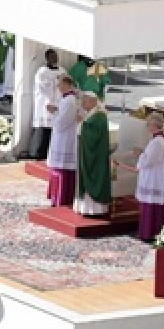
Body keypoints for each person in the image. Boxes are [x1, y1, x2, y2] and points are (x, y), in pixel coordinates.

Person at [134, 112, 164, 241]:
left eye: (149, 124)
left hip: (153, 178)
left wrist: (140, 154)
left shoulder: (157, 142)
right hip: (156, 177)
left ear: (155, 125)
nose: (147, 127)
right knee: (153, 206)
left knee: (150, 206)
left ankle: (149, 233)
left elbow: (148, 161)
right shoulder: (159, 140)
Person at [73, 92, 111, 216]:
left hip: (95, 156)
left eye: (84, 102)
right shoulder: (91, 114)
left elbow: (94, 135)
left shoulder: (100, 116)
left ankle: (95, 209)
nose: (82, 104)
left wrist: (82, 123)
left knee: (93, 176)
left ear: (92, 101)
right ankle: (84, 207)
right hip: (87, 153)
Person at [46, 75, 78, 207]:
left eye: (59, 84)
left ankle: (61, 197)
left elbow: (62, 122)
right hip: (62, 137)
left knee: (63, 168)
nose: (58, 86)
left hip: (65, 138)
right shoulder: (66, 99)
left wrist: (54, 114)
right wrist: (56, 110)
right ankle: (56, 196)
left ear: (66, 84)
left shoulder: (70, 100)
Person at [28, 49, 63, 160]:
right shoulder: (42, 71)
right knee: (43, 127)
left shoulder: (62, 70)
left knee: (54, 127)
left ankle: (51, 152)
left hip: (57, 102)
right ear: (47, 58)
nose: (55, 58)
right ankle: (38, 153)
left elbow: (66, 84)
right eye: (52, 56)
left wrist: (59, 81)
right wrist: (56, 81)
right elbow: (43, 86)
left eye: (56, 56)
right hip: (44, 102)